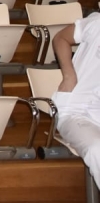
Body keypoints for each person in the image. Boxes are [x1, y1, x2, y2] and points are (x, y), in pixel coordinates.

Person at [51, 13, 100, 190]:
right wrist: (68, 74)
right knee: (97, 149)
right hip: (75, 111)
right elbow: (60, 38)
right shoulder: (96, 23)